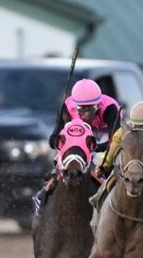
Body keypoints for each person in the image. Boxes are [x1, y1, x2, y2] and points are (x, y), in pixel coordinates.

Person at [35, 78, 122, 211]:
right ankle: (46, 189)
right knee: (65, 157)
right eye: (81, 109)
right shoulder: (67, 107)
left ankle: (114, 194)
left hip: (103, 135)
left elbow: (115, 141)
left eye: (91, 109)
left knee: (108, 161)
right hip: (79, 137)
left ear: (98, 105)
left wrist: (96, 147)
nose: (86, 114)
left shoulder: (110, 109)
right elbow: (54, 138)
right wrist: (58, 143)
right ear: (75, 106)